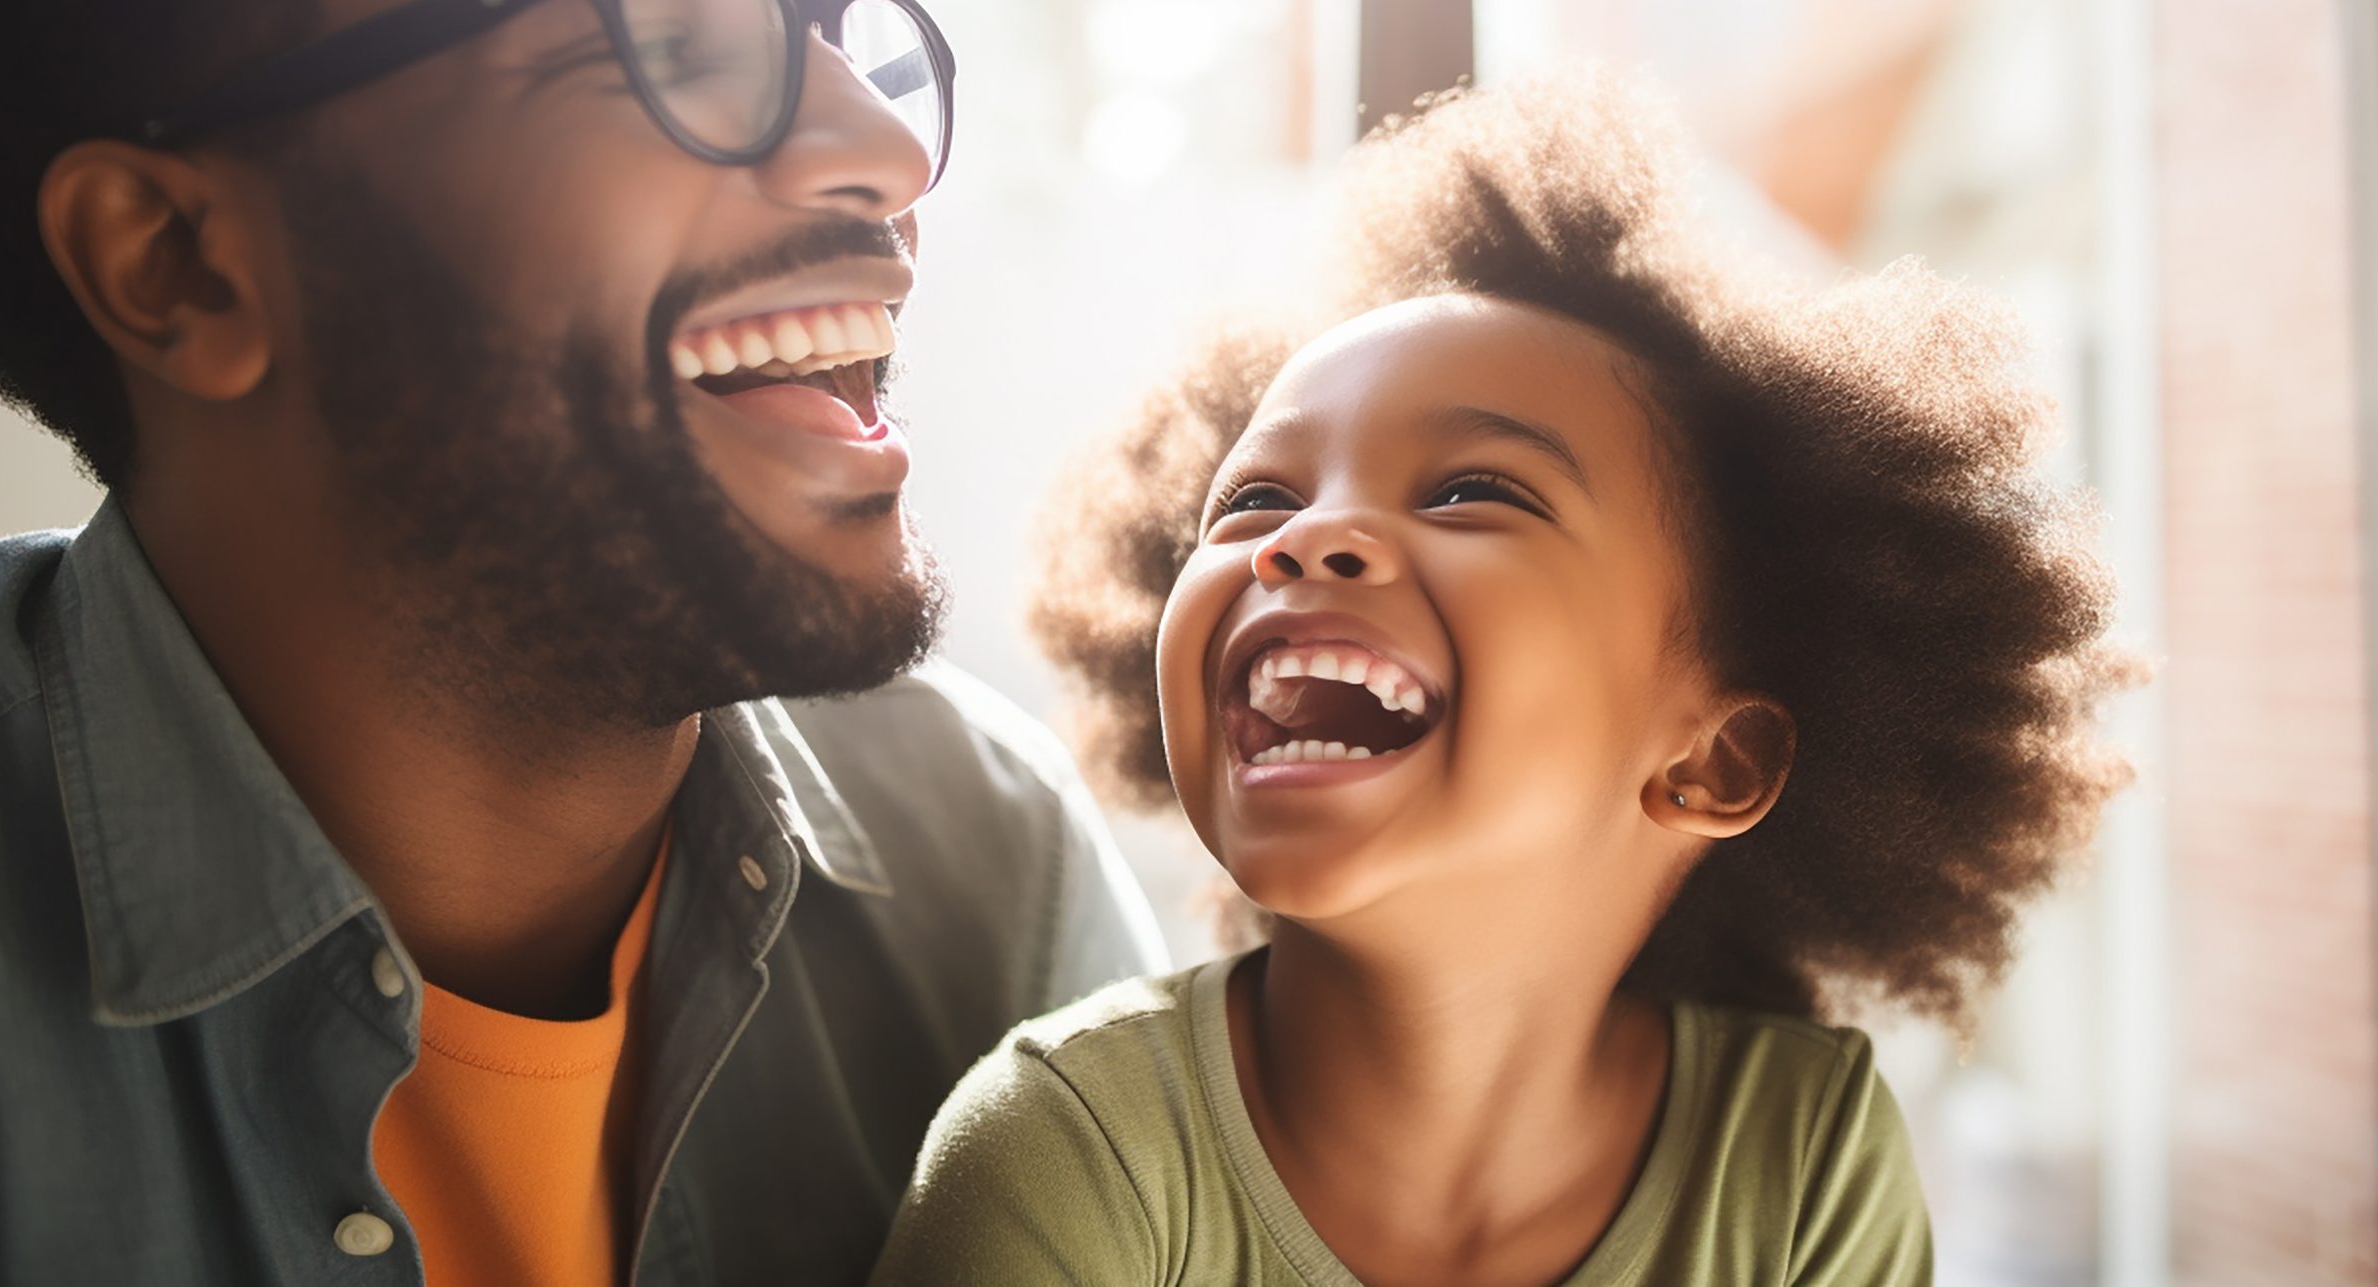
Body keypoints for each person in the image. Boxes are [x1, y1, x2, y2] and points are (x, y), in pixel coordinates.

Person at [0, 0, 1163, 1283]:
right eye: (671, 37)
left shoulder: (982, 853)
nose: (882, 156)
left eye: (835, 38)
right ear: (180, 265)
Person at [871, 78, 2136, 1286]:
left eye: (1475, 491)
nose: (1297, 539)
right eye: (1256, 497)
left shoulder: (1801, 1158)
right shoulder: (1067, 1154)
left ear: (1712, 761)